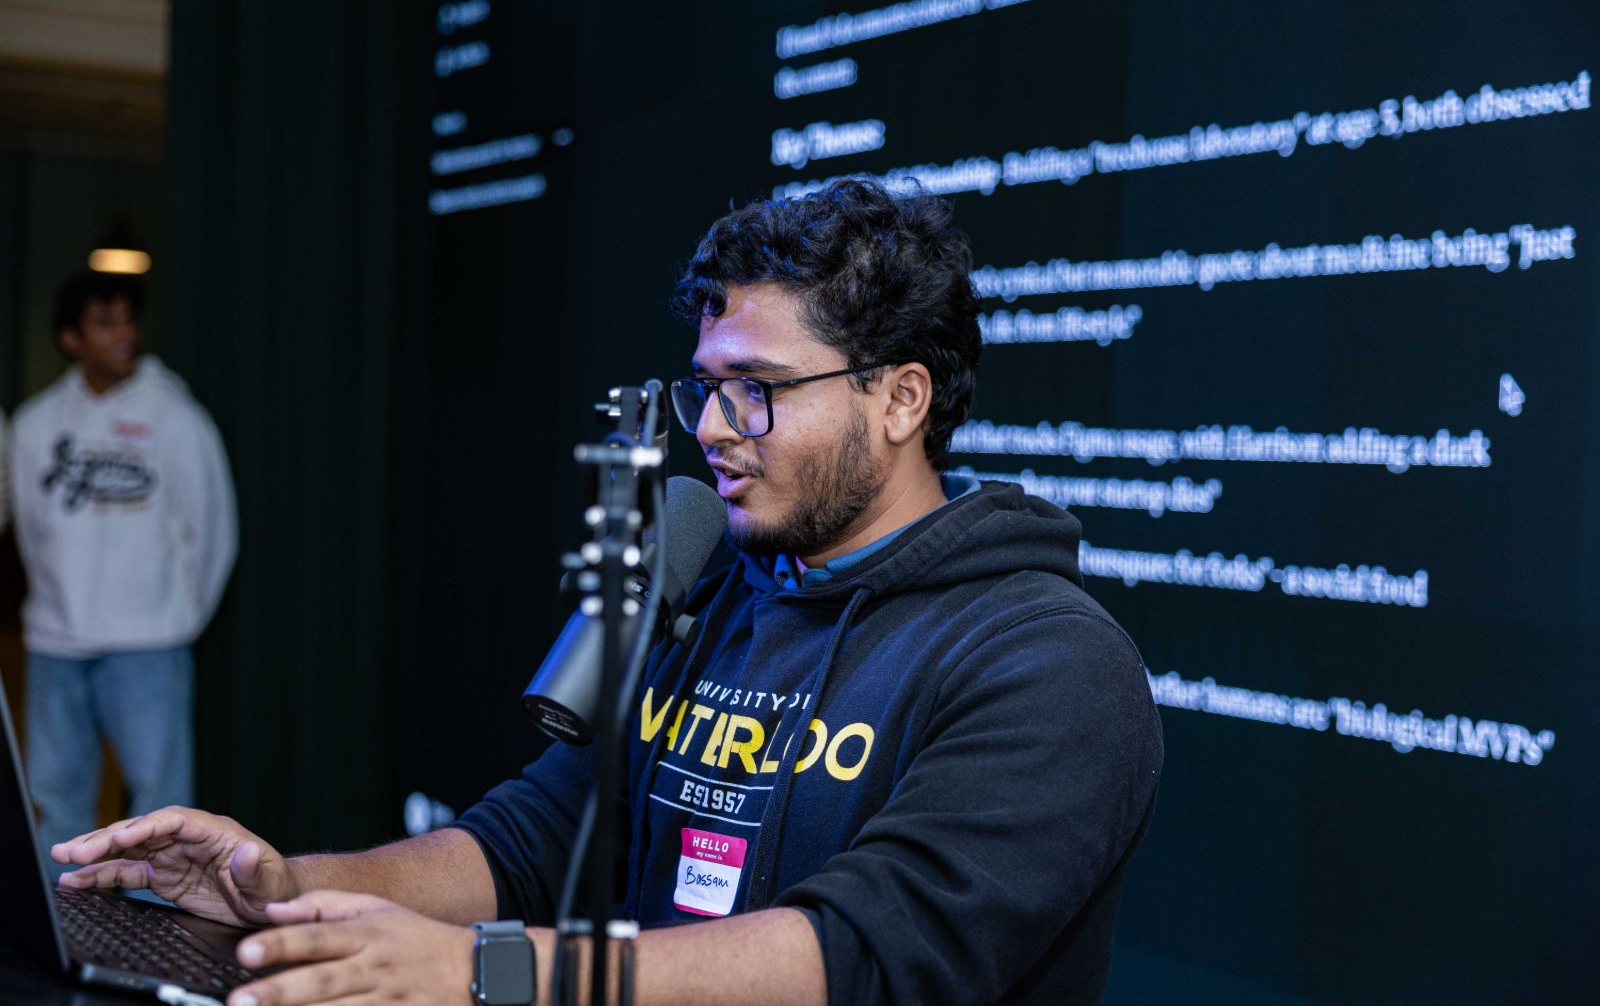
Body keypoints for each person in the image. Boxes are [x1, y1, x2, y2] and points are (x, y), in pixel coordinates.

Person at [52, 180, 1162, 1006]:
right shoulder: (722, 588)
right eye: (709, 387)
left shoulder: (1050, 662)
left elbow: (866, 951)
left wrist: (492, 970)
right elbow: (540, 833)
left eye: (761, 390)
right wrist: (284, 884)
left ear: (901, 397)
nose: (718, 431)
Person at [9, 272, 237, 866]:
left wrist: (177, 616)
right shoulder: (33, 426)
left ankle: (156, 946)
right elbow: (29, 530)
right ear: (69, 338)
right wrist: (56, 604)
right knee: (55, 801)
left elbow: (214, 531)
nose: (123, 335)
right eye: (104, 323)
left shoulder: (178, 418)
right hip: (56, 646)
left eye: (129, 320)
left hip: (149, 647)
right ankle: (57, 936)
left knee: (162, 811)